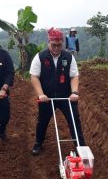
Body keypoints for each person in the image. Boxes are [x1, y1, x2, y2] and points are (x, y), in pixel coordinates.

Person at [30, 27, 86, 155]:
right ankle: (38, 142)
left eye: (59, 45)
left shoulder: (69, 57)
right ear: (48, 43)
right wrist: (40, 94)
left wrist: (74, 92)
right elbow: (34, 77)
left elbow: (74, 76)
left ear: (62, 43)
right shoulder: (40, 57)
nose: (56, 48)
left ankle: (81, 146)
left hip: (65, 95)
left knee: (74, 120)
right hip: (47, 97)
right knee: (42, 121)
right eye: (53, 45)